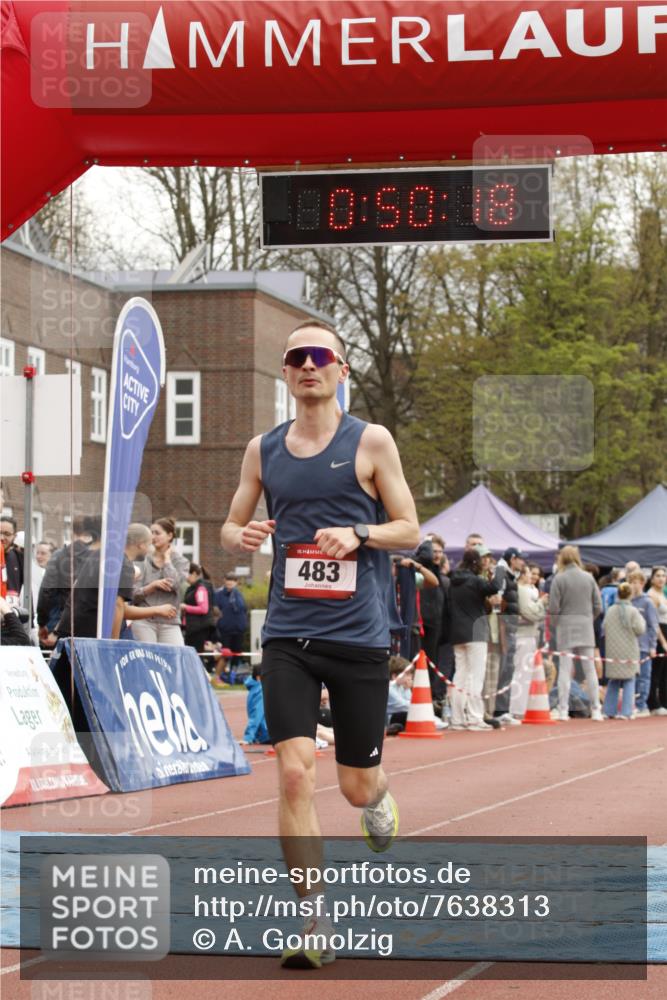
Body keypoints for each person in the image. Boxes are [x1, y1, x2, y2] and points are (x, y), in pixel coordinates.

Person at [221, 318, 420, 969]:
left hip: (358, 638)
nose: (307, 365)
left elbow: (410, 530)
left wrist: (360, 535)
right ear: (284, 372)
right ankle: (313, 924)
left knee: (356, 787)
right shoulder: (263, 449)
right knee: (294, 772)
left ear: (340, 369)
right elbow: (229, 524)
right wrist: (241, 536)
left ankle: (378, 796)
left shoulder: (371, 441)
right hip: (288, 637)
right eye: (295, 357)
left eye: (319, 356)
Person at [55, 523, 178, 639]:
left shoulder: (101, 554)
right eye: (149, 544)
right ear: (141, 544)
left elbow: (77, 586)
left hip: (71, 626)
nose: (151, 549)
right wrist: (113, 644)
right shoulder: (123, 564)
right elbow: (118, 607)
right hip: (87, 631)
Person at [548, 545, 603, 722]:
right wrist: (588, 619)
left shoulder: (559, 578)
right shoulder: (588, 578)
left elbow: (553, 608)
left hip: (566, 627)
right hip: (585, 626)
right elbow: (598, 606)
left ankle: (563, 709)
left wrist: (556, 624)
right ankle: (596, 709)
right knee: (590, 669)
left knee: (565, 669)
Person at [448, 548, 501, 731]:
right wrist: (497, 571)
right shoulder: (475, 580)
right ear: (476, 562)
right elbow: (495, 587)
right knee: (475, 676)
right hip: (475, 632)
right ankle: (475, 718)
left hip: (457, 633)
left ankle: (456, 718)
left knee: (459, 675)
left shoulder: (453, 581)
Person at [37, 515, 96, 644]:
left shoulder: (59, 555)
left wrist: (42, 622)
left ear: (72, 531)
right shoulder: (98, 556)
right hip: (91, 622)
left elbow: (46, 591)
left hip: (61, 621)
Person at [131, 518, 189, 645]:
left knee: (174, 659)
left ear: (170, 535)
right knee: (147, 661)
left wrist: (167, 560)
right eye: (151, 533)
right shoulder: (141, 560)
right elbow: (133, 594)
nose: (153, 536)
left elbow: (174, 584)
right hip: (143, 621)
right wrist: (151, 587)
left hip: (170, 622)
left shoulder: (182, 562)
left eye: (157, 533)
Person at [509, 564, 548, 721]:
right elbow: (530, 613)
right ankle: (517, 709)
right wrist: (541, 604)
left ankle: (518, 708)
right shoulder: (523, 590)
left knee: (522, 673)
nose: (531, 576)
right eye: (528, 573)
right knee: (521, 674)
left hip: (527, 635)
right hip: (524, 636)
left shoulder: (528, 590)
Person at [602, 583, 646, 719]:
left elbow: (604, 627)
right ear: (630, 595)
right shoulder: (633, 611)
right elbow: (640, 629)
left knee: (613, 680)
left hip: (612, 650)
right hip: (629, 649)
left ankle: (609, 710)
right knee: (629, 679)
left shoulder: (610, 610)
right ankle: (626, 711)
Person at [492, 547, 524, 724]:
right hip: (505, 630)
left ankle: (502, 709)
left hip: (509, 628)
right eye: (520, 559)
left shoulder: (508, 575)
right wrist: (502, 628)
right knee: (504, 670)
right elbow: (497, 602)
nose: (522, 562)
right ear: (513, 559)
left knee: (507, 670)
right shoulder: (502, 574)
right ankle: (499, 710)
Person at [627, 569, 659, 717]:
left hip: (644, 646)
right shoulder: (627, 602)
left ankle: (642, 705)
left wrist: (652, 646)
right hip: (629, 645)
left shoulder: (647, 602)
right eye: (631, 582)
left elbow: (653, 625)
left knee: (644, 677)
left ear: (642, 583)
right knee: (630, 676)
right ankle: (632, 704)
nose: (634, 585)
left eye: (636, 582)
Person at [181, 563, 217, 652]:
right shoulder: (193, 587)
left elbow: (203, 609)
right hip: (193, 627)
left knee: (196, 656)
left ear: (193, 573)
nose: (184, 577)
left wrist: (185, 607)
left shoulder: (201, 588)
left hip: (198, 628)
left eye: (186, 573)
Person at [646, 566, 667, 715]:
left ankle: (664, 701)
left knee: (665, 671)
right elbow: (654, 621)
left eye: (663, 576)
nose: (661, 578)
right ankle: (653, 703)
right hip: (659, 634)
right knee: (656, 671)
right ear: (652, 579)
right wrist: (663, 641)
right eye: (658, 576)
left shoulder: (663, 594)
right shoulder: (651, 595)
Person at [214, 572, 248, 663]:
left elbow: (243, 610)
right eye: (228, 580)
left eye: (232, 580)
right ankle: (222, 674)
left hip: (238, 630)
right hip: (225, 630)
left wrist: (243, 625)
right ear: (224, 581)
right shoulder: (218, 595)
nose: (230, 583)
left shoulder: (239, 595)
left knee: (237, 655)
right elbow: (215, 610)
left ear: (236, 582)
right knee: (225, 655)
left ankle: (234, 674)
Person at [240, 665, 270, 745]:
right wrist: (248, 737)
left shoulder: (255, 688)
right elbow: (256, 714)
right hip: (267, 733)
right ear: (259, 678)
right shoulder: (261, 690)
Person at [0, 515, 23, 599]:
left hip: (12, 609)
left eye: (7, 534)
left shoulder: (19, 557)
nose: (2, 538)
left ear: (14, 536)